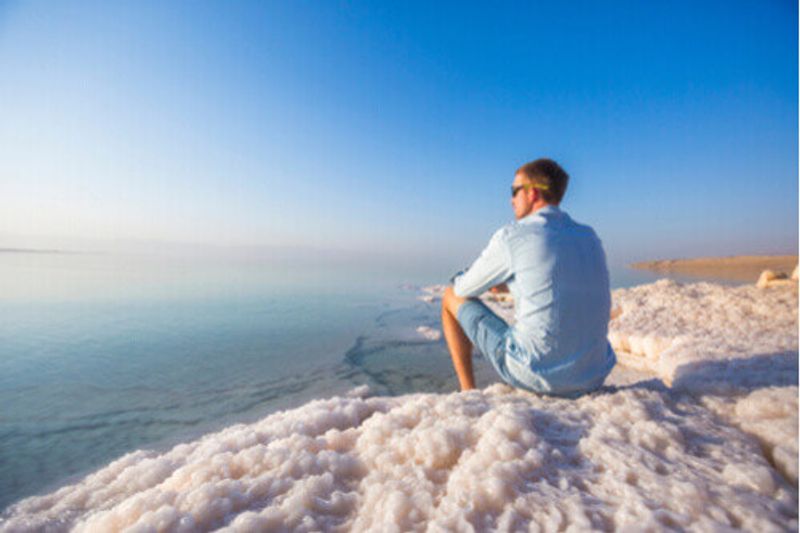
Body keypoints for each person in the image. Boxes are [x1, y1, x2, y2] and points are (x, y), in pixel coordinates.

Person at [441, 158, 616, 397]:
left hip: (537, 374)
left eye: (514, 191)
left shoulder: (514, 235)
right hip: (593, 375)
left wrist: (463, 277)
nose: (511, 199)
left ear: (532, 193)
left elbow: (463, 289)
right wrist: (510, 285)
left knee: (450, 294)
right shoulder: (589, 237)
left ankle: (467, 392)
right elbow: (559, 285)